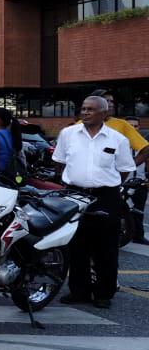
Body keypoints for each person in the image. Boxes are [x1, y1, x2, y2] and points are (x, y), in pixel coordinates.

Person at [53, 95, 135, 310]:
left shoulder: (118, 139)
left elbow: (125, 169)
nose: (86, 112)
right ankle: (78, 290)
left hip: (106, 196)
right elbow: (59, 163)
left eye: (91, 109)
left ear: (104, 114)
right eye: (83, 108)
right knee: (76, 243)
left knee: (105, 246)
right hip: (75, 194)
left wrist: (105, 184)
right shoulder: (68, 134)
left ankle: (103, 292)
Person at [89, 90, 148, 243]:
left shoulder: (121, 125)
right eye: (107, 101)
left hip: (109, 185)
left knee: (108, 223)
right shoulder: (78, 126)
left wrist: (128, 166)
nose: (111, 104)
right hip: (83, 186)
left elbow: (145, 148)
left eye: (112, 101)